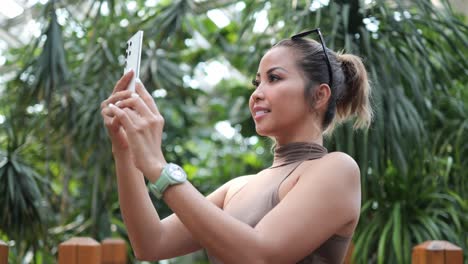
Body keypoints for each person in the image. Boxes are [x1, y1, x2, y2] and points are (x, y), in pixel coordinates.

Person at [100, 28, 372, 264]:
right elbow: (150, 243)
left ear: (319, 95)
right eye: (257, 82)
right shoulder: (237, 187)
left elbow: (259, 255)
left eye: (274, 78)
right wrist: (125, 150)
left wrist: (159, 168)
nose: (256, 94)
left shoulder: (337, 169)